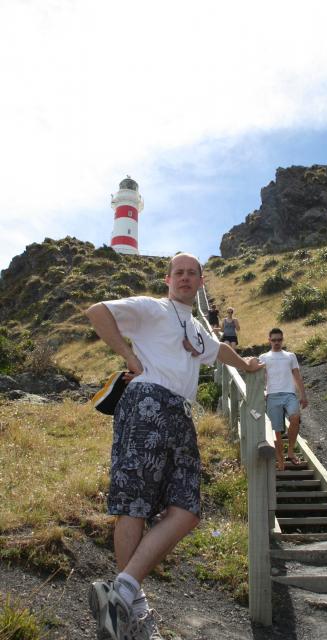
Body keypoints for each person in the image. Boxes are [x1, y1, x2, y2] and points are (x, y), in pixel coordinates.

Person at [85, 253, 263, 640]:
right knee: (135, 505)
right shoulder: (152, 309)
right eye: (178, 272)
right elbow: (98, 312)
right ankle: (134, 615)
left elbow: (220, 352)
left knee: (187, 510)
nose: (184, 278)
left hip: (180, 412)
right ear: (168, 279)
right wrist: (131, 358)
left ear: (201, 282)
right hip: (147, 401)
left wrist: (247, 365)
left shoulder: (197, 327)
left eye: (191, 273)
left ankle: (123, 590)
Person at [258, 328, 308, 471]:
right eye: (274, 340)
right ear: (269, 340)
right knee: (277, 431)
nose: (277, 342)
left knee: (295, 417)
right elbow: (260, 377)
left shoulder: (290, 356)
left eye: (279, 339)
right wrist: (261, 392)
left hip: (289, 394)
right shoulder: (264, 357)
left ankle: (290, 451)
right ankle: (280, 460)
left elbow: (297, 376)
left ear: (282, 339)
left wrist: (303, 395)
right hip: (272, 395)